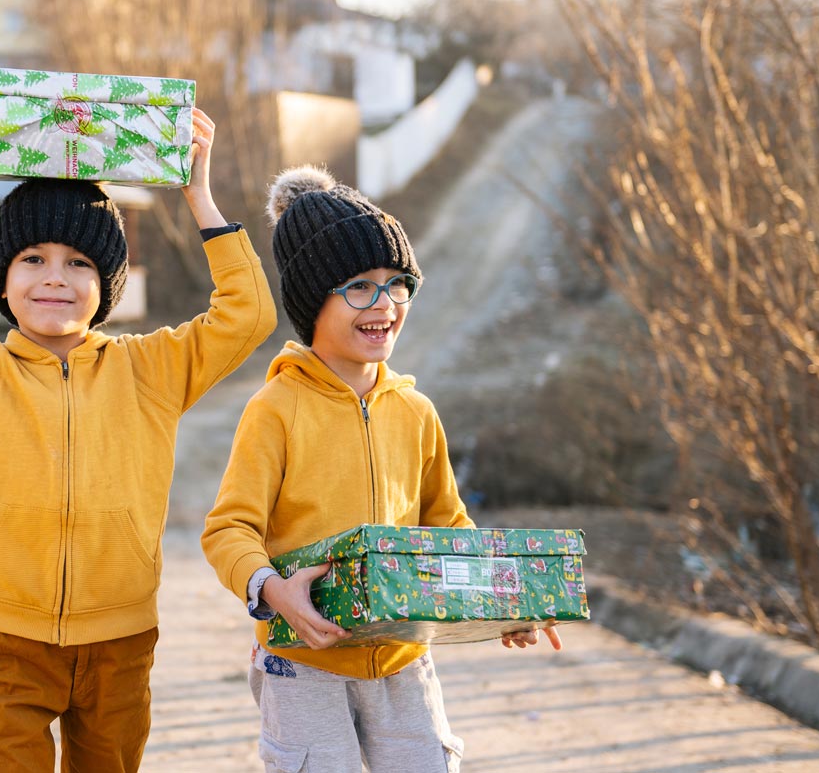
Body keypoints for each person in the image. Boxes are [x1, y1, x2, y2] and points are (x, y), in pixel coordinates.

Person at [0, 93, 275, 772]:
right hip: (2, 642)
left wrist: (199, 196)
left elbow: (247, 315)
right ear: (1, 280)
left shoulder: (151, 369)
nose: (55, 279)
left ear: (108, 284)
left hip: (121, 644)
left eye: (78, 263)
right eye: (32, 259)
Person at [201, 165, 560, 773]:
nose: (385, 304)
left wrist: (502, 599)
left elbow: (447, 522)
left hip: (403, 656)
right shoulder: (275, 410)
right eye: (359, 286)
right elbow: (229, 530)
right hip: (303, 661)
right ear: (312, 298)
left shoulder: (416, 412)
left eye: (398, 284)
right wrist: (272, 593)